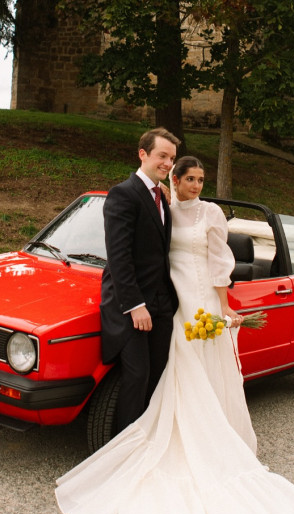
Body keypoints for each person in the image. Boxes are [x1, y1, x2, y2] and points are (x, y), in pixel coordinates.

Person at [56, 156, 294, 514]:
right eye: (188, 178)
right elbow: (143, 256)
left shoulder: (211, 213)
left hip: (205, 301)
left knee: (207, 370)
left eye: (200, 179)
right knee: (177, 371)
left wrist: (226, 311)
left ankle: (214, 435)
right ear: (172, 180)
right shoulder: (165, 212)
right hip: (176, 305)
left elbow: (219, 264)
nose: (195, 185)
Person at [99, 127, 181, 433]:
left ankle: (147, 438)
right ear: (143, 154)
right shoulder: (123, 194)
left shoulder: (161, 197)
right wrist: (135, 305)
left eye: (171, 158)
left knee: (158, 374)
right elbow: (118, 257)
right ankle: (124, 447)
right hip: (131, 305)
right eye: (162, 156)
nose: (167, 163)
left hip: (162, 304)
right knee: (137, 376)